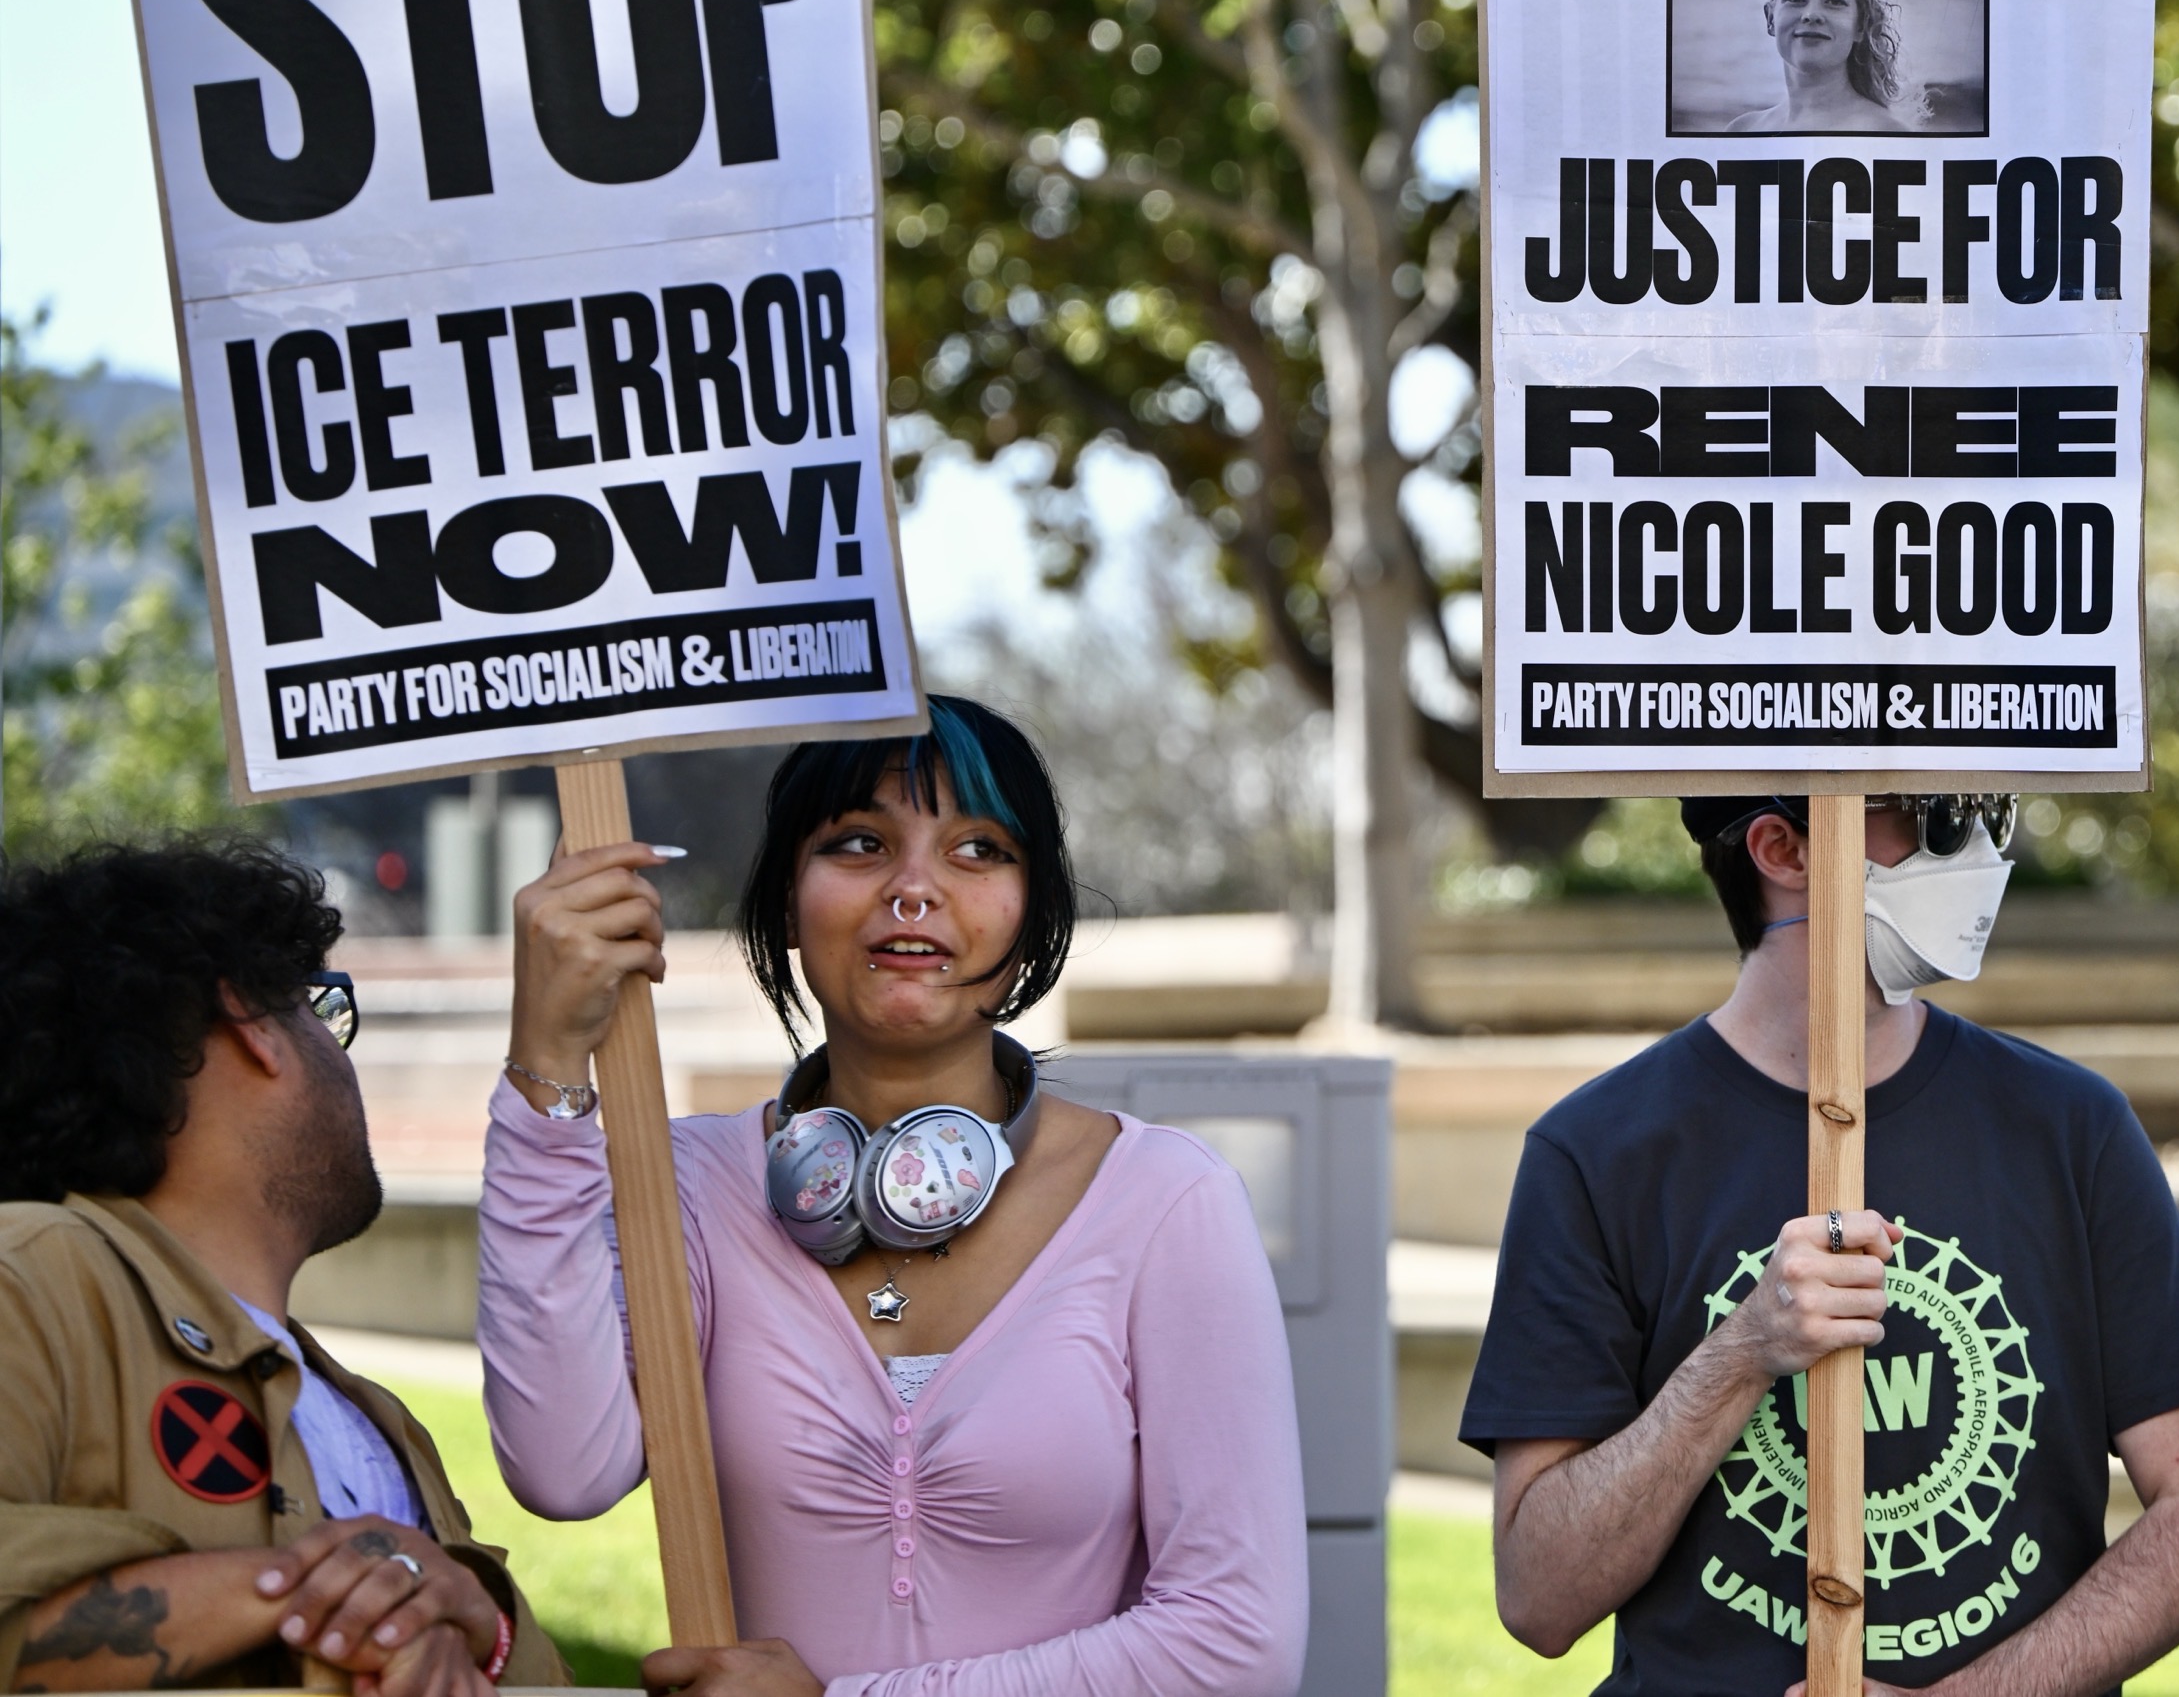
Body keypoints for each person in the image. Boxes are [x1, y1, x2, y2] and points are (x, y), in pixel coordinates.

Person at [480, 694, 1306, 1697]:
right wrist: (548, 1057)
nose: (914, 886)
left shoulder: (1166, 1201)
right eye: (861, 841)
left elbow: (1237, 1639)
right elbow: (562, 1468)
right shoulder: (685, 1182)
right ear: (787, 895)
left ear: (1034, 910)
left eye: (977, 849)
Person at [1465, 791, 2179, 1695]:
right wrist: (1739, 1354)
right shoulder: (1597, 1153)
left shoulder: (2070, 1128)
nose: (1975, 847)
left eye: (1989, 812)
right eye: (1931, 815)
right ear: (1782, 847)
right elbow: (1539, 1595)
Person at [0, 837, 564, 1695]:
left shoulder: (379, 1420)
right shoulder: (34, 1272)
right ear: (254, 1022)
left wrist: (473, 1616)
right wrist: (351, 1594)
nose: (341, 1055)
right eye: (322, 1009)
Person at [1725, 0, 1932, 133]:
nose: (1812, 14)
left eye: (1834, 1)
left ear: (1860, 26)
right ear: (1770, 18)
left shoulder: (1888, 134)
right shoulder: (1742, 131)